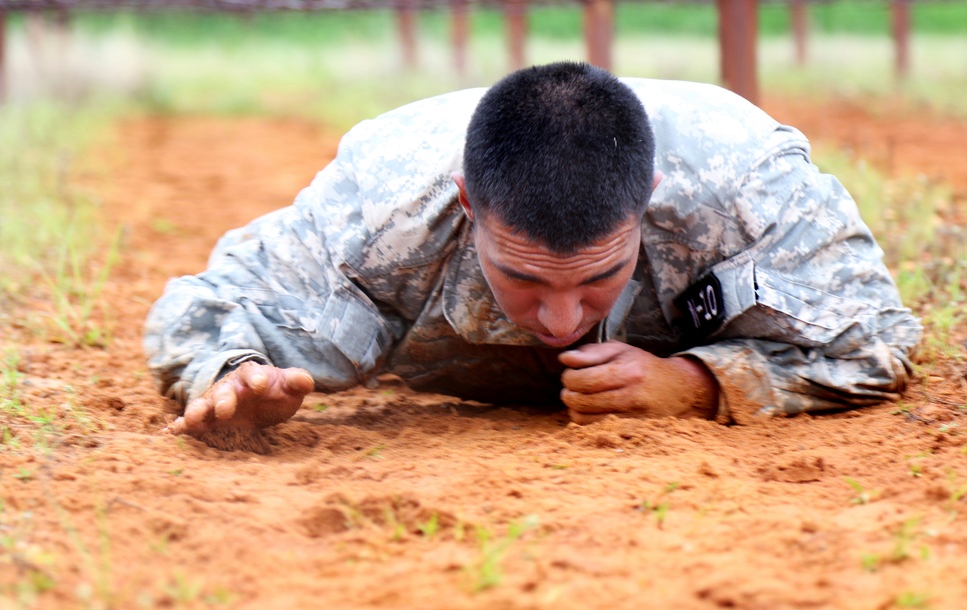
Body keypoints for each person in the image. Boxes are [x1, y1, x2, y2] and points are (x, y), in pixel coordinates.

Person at [144, 61, 921, 450]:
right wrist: (228, 374)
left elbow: (876, 338)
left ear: (647, 200)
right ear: (466, 204)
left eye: (596, 279)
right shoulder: (385, 192)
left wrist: (697, 384)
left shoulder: (744, 181)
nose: (558, 319)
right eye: (520, 276)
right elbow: (207, 302)